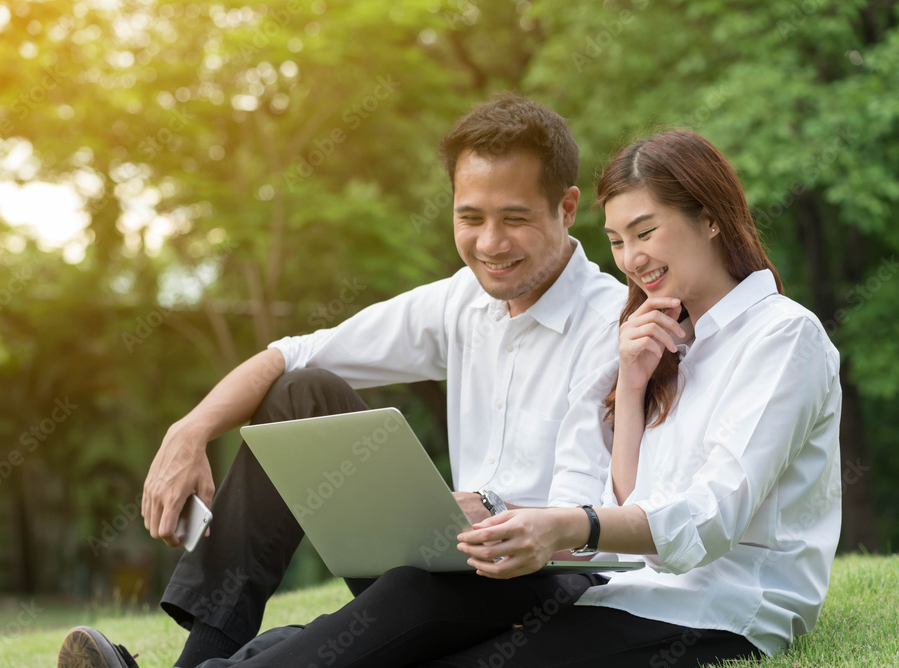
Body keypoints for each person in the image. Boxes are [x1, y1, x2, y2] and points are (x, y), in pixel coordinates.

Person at [128, 129, 841, 667]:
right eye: (620, 239)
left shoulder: (783, 338)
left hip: (715, 605)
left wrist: (556, 525)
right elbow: (632, 492)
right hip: (588, 576)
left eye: (646, 232)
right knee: (311, 414)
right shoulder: (662, 332)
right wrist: (629, 387)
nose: (633, 259)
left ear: (711, 217)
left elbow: (707, 519)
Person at [58, 93, 628, 668]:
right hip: (453, 560)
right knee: (299, 393)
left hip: (552, 577)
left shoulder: (611, 323)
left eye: (515, 218)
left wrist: (492, 505)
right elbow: (290, 354)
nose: (489, 244)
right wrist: (189, 432)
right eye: (470, 218)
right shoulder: (463, 301)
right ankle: (205, 655)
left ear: (566, 206)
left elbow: (590, 509)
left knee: (411, 589)